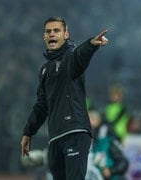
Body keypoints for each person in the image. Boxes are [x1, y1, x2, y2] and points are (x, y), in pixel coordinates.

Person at [20, 16, 109, 180]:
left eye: (56, 31)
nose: (52, 34)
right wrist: (28, 132)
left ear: (66, 35)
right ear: (44, 37)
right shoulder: (44, 70)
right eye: (48, 31)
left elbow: (80, 55)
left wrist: (91, 44)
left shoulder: (71, 56)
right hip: (55, 137)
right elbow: (41, 105)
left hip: (75, 132)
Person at [88, 110, 129, 180]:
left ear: (97, 120)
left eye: (90, 120)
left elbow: (123, 163)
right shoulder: (88, 144)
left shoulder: (109, 141)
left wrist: (111, 171)